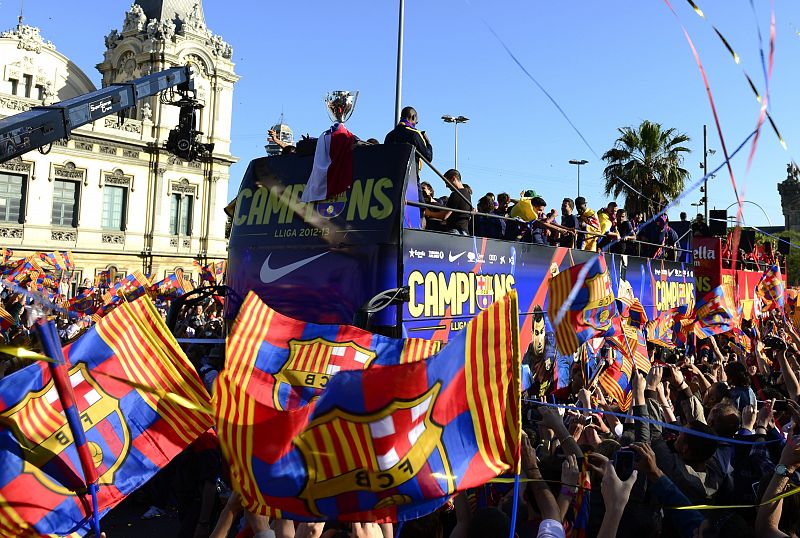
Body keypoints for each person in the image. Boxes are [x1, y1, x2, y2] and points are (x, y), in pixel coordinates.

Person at [424, 169, 472, 235]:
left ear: (453, 178)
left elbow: (445, 215)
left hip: (455, 232)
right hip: (464, 232)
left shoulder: (456, 194)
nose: (446, 186)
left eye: (446, 182)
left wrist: (429, 213)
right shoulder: (467, 194)